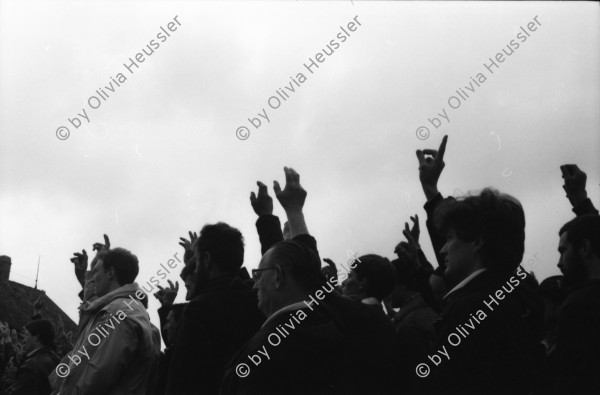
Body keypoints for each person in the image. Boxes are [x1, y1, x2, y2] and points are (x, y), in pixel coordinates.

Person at [222, 167, 397, 395]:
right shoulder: (363, 324)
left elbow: (301, 270)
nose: (254, 284)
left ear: (278, 276)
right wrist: (290, 212)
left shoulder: (265, 353)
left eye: (258, 275)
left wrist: (283, 215)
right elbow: (300, 270)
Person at [165, 223, 265, 395]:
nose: (195, 269)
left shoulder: (199, 310)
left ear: (208, 259)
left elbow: (182, 382)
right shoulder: (258, 300)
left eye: (197, 262)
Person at [50, 244, 160, 395]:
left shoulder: (118, 314)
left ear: (110, 272)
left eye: (95, 271)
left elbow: (95, 379)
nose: (93, 278)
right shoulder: (127, 310)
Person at [551, 214, 600, 394]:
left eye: (563, 251)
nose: (559, 263)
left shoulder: (578, 306)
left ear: (585, 247)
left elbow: (572, 382)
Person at [5, 320, 59, 395]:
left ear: (36, 336)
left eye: (27, 335)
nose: (24, 340)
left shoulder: (31, 367)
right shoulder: (54, 359)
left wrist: (11, 377)